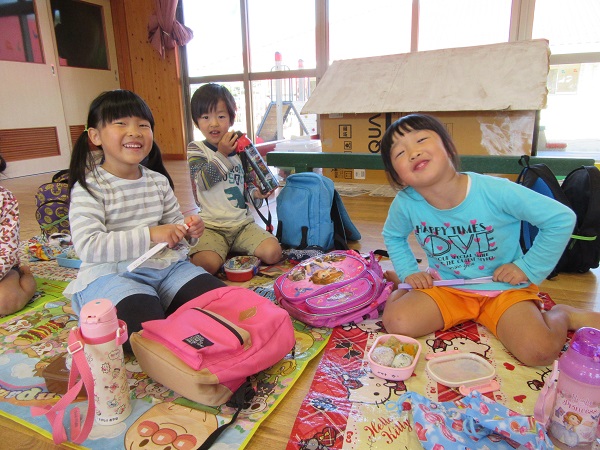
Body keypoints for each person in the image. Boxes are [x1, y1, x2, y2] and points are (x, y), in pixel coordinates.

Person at [379, 113, 600, 367]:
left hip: (503, 289)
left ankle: (564, 315)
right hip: (447, 286)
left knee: (539, 352)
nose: (413, 153)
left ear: (448, 147)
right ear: (397, 176)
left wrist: (527, 267)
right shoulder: (406, 202)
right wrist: (408, 271)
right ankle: (400, 286)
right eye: (400, 153)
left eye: (421, 140)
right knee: (397, 323)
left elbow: (560, 219)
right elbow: (393, 235)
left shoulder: (496, 191)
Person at [63, 90, 225, 350]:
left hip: (166, 268)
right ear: (95, 136)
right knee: (141, 332)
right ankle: (147, 305)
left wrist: (189, 231)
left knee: (222, 307)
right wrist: (151, 234)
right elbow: (89, 246)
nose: (134, 132)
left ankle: (162, 303)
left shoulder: (158, 181)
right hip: (112, 275)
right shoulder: (90, 186)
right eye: (121, 123)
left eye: (143, 125)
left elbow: (175, 229)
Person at [187, 83, 282, 274]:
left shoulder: (240, 150)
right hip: (211, 226)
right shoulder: (197, 148)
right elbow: (203, 182)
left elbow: (244, 190)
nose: (214, 123)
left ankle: (227, 249)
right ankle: (219, 249)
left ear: (231, 119)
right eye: (206, 117)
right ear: (197, 122)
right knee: (205, 265)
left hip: (242, 225)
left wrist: (257, 194)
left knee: (273, 253)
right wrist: (222, 154)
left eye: (221, 116)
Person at [0, 154, 37, 315]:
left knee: (5, 301)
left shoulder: (4, 199)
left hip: (4, 268)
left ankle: (24, 275)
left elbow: (7, 248)